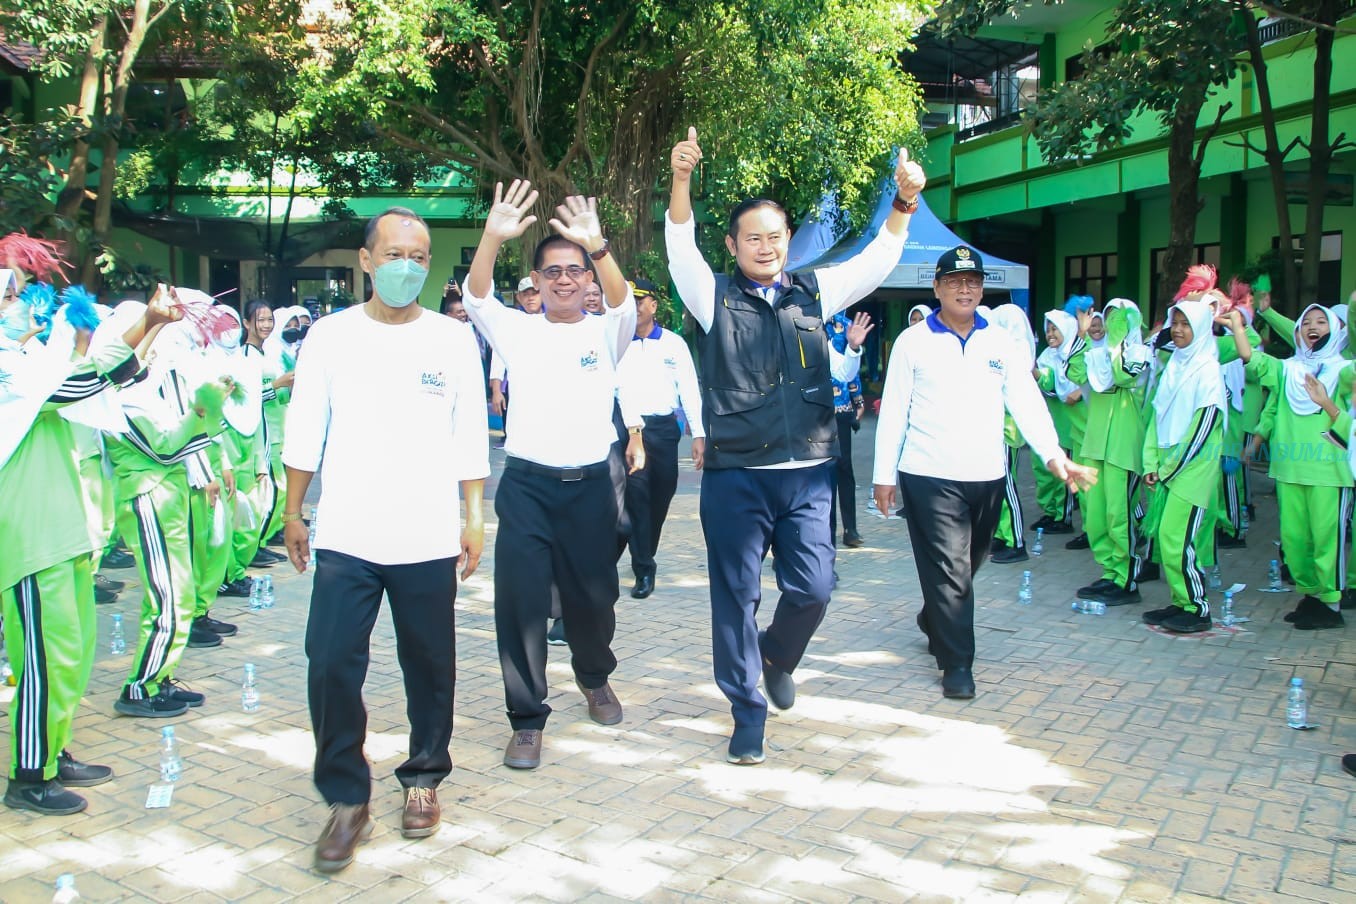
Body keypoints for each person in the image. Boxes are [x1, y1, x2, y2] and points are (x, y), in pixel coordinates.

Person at [666, 127, 924, 765]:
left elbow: (876, 261)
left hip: (809, 472)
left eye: (774, 237)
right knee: (737, 597)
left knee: (813, 589)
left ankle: (778, 654)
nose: (764, 247)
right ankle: (746, 712)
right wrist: (681, 181)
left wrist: (904, 202)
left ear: (788, 242)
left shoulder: (814, 292)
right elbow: (678, 246)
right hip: (736, 476)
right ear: (733, 245)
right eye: (751, 238)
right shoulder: (713, 296)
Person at [282, 207, 489, 871]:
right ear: (366, 261)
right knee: (331, 662)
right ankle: (347, 799)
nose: (408, 265)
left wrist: (474, 515)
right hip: (348, 531)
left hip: (427, 534)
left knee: (430, 666)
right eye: (396, 252)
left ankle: (424, 777)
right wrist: (292, 510)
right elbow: (305, 423)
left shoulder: (451, 341)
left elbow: (470, 430)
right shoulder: (330, 337)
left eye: (421, 256)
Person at [462, 181, 637, 772]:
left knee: (594, 601)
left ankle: (594, 677)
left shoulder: (604, 332)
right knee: (520, 603)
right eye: (552, 272)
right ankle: (527, 717)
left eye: (574, 271)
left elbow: (623, 304)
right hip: (529, 487)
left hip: (591, 488)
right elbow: (477, 295)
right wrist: (492, 235)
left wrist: (599, 245)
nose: (564, 280)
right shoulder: (516, 329)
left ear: (587, 280)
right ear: (535, 282)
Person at [873, 246, 1095, 699]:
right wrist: (884, 475)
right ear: (937, 288)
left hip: (987, 474)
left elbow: (1027, 401)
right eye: (954, 281)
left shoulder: (1000, 342)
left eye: (973, 281)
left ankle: (935, 616)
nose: (965, 288)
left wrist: (1054, 454)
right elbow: (893, 411)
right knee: (952, 570)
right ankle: (957, 665)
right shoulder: (912, 343)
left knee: (969, 564)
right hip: (928, 473)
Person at [0, 278, 171, 814]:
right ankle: (30, 776)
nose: (24, 303)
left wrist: (151, 325)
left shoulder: (27, 359)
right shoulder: (7, 366)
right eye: (9, 294)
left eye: (22, 291)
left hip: (64, 528)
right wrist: (141, 323)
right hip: (29, 535)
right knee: (43, 660)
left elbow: (111, 381)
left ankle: (52, 750)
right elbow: (73, 385)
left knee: (71, 653)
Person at [1226, 304, 1353, 629]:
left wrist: (1326, 401)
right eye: (1306, 322)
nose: (1312, 326)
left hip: (1330, 472)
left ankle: (1332, 604)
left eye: (1322, 321)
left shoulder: (1345, 370)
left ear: (1337, 330)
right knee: (1295, 539)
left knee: (1328, 539)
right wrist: (1239, 326)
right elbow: (1251, 360)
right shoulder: (1287, 369)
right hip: (1289, 470)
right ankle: (1311, 594)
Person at [1139, 299, 1226, 634]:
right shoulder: (1174, 363)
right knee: (1167, 537)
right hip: (1167, 465)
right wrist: (1151, 463)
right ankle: (1181, 602)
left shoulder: (1208, 368)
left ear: (1202, 328)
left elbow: (1204, 427)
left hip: (1192, 468)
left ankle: (1197, 607)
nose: (1177, 331)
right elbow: (1157, 418)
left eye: (1185, 324)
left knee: (1177, 538)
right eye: (1174, 323)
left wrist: (1170, 468)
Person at [617, 278, 705, 598]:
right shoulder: (617, 341)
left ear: (653, 305)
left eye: (640, 300)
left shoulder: (673, 344)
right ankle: (644, 567)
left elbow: (690, 391)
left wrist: (699, 433)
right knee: (637, 497)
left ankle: (644, 548)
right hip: (629, 431)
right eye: (630, 300)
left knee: (661, 495)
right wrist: (630, 430)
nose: (635, 306)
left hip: (665, 430)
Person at [1065, 301, 1150, 606]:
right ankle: (1110, 572)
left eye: (1118, 318)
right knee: (1096, 515)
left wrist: (1115, 341)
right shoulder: (1095, 354)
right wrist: (1083, 335)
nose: (1111, 323)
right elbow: (1072, 371)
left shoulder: (1138, 355)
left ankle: (1126, 579)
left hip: (1123, 447)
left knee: (1119, 514)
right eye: (1108, 316)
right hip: (1094, 443)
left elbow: (1124, 374)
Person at [827, 312, 873, 548]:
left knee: (844, 468)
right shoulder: (800, 321)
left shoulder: (845, 326)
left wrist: (858, 399)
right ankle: (827, 530)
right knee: (820, 473)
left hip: (840, 408)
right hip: (808, 412)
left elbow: (848, 370)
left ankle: (850, 529)